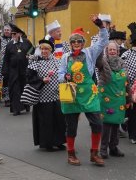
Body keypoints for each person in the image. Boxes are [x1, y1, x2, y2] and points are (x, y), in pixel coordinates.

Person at [58, 14, 109, 166]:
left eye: (79, 41)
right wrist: (65, 77)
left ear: (83, 42)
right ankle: (71, 154)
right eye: (73, 41)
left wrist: (101, 26)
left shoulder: (90, 52)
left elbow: (103, 41)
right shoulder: (65, 57)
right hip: (72, 94)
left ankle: (94, 153)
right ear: (70, 43)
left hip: (89, 93)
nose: (76, 43)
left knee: (97, 123)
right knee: (71, 127)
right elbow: (60, 74)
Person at [27, 39, 66, 150]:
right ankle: (47, 143)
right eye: (42, 49)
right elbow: (29, 77)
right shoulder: (35, 62)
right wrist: (41, 80)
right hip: (43, 97)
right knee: (46, 121)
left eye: (46, 49)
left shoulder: (57, 61)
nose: (44, 51)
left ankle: (59, 141)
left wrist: (66, 77)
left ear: (51, 50)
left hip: (56, 95)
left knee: (59, 119)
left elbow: (62, 73)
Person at [97, 41, 131, 158]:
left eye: (114, 50)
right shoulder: (103, 62)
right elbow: (97, 60)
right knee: (106, 124)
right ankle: (103, 149)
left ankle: (113, 147)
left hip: (119, 99)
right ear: (107, 51)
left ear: (117, 51)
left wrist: (129, 98)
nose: (112, 51)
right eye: (110, 49)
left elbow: (127, 82)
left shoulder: (122, 63)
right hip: (106, 98)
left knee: (116, 123)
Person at [2, 24, 33, 116]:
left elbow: (32, 50)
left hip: (24, 70)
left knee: (24, 88)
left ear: (19, 34)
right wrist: (5, 70)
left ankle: (26, 105)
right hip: (13, 71)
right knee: (14, 89)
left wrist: (29, 55)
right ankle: (16, 109)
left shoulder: (26, 42)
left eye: (14, 34)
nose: (13, 36)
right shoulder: (9, 45)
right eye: (12, 34)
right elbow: (6, 59)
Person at [121, 22, 136, 144]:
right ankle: (133, 134)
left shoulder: (126, 54)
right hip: (131, 87)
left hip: (131, 86)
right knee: (132, 111)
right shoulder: (126, 55)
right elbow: (124, 72)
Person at [0, 24, 12, 107]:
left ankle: (13, 97)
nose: (6, 31)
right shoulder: (0, 40)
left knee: (13, 80)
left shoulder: (13, 39)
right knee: (5, 80)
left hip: (12, 63)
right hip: (3, 63)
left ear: (11, 31)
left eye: (8, 30)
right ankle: (6, 98)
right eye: (5, 30)